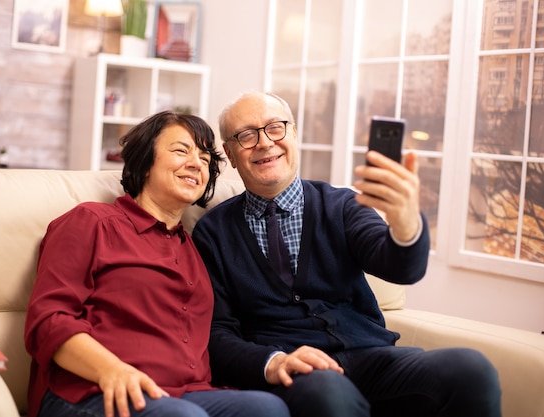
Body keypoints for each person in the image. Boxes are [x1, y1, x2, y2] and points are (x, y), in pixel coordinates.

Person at [192, 91, 502, 417]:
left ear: (294, 133)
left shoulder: (344, 205)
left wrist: (406, 223)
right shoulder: (214, 232)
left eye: (275, 127)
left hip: (372, 357)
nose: (265, 142)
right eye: (246, 135)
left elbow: (401, 268)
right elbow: (216, 332)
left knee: (471, 368)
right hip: (298, 371)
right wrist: (274, 361)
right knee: (329, 395)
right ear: (229, 152)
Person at [24, 110, 290, 417]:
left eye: (205, 159)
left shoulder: (193, 246)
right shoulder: (92, 222)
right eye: (181, 151)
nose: (196, 163)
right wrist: (112, 370)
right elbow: (49, 320)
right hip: (92, 390)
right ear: (145, 161)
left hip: (185, 394)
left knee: (266, 408)